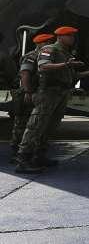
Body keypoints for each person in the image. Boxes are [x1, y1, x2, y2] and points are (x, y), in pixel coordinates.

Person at [15, 26, 89, 173]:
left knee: (50, 126)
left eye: (72, 36)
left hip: (61, 93)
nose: (72, 38)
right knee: (36, 126)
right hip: (48, 93)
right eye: (69, 36)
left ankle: (39, 155)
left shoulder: (64, 53)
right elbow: (43, 67)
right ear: (60, 37)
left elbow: (71, 76)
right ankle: (23, 159)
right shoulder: (50, 49)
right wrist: (66, 64)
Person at [9, 34, 55, 164]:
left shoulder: (45, 56)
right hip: (27, 93)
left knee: (36, 125)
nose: (50, 44)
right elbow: (25, 74)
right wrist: (28, 92)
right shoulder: (31, 56)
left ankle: (36, 155)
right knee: (21, 124)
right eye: (48, 42)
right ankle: (16, 154)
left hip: (36, 93)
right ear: (39, 43)